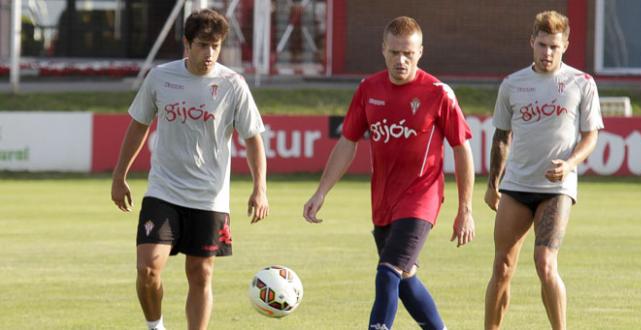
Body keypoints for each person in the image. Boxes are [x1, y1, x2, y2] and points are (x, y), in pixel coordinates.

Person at [303, 16, 476, 330]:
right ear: (383, 50)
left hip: (422, 200)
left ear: (420, 52)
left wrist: (466, 209)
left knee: (387, 271)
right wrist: (321, 192)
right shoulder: (368, 89)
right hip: (383, 201)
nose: (401, 60)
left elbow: (461, 149)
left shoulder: (438, 92)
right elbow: (347, 142)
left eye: (408, 53)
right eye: (395, 52)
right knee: (405, 277)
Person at [111, 9, 269, 330]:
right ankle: (155, 327)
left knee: (201, 273)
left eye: (215, 46)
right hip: (163, 191)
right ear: (187, 44)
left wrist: (259, 188)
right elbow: (138, 125)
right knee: (148, 270)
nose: (209, 53)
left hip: (209, 198)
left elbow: (253, 139)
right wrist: (119, 176)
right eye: (202, 45)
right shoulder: (160, 77)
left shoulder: (232, 84)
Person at [483, 11, 603, 330]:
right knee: (502, 267)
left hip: (557, 189)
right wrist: (492, 184)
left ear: (565, 45)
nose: (547, 52)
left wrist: (570, 164)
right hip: (517, 185)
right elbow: (501, 137)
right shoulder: (512, 85)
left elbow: (591, 136)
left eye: (554, 46)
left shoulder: (582, 83)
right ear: (531, 43)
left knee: (545, 263)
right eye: (542, 45)